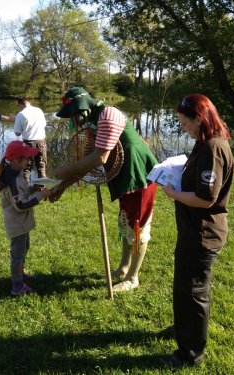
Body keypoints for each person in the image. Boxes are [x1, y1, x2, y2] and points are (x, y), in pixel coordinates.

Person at [50, 87, 158, 292]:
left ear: (81, 108)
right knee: (126, 223)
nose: (73, 120)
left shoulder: (108, 115)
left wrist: (66, 170)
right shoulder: (93, 122)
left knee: (137, 227)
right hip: (123, 179)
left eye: (73, 114)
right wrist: (62, 186)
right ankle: (123, 268)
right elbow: (87, 163)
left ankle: (133, 277)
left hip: (138, 176)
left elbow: (100, 158)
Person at [161, 94, 234, 367]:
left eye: (184, 122)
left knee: (193, 290)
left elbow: (206, 198)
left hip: (203, 234)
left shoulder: (213, 148)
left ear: (200, 119)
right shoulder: (204, 143)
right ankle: (185, 327)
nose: (182, 128)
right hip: (193, 231)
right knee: (186, 288)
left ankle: (191, 353)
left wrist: (173, 194)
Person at [0, 140, 52, 296]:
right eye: (26, 158)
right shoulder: (11, 180)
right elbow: (20, 205)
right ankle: (17, 285)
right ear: (15, 160)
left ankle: (20, 274)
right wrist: (40, 196)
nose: (29, 161)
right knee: (17, 254)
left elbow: (23, 192)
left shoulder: (18, 173)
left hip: (23, 224)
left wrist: (33, 188)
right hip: (17, 225)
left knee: (24, 249)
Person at [13, 97, 48, 182]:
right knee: (41, 166)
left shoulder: (20, 114)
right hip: (41, 141)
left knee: (26, 168)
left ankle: (26, 189)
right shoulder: (39, 110)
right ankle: (42, 189)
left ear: (21, 104)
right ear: (29, 102)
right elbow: (44, 125)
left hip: (28, 143)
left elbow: (17, 133)